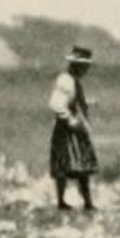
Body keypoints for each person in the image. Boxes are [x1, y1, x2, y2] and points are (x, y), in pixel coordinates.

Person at [48, 45, 99, 210]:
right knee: (64, 166)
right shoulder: (66, 81)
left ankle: (87, 202)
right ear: (77, 65)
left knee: (82, 166)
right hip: (67, 130)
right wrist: (69, 118)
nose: (87, 69)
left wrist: (87, 103)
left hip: (76, 129)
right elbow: (56, 103)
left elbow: (73, 100)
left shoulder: (74, 81)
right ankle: (62, 202)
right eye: (85, 66)